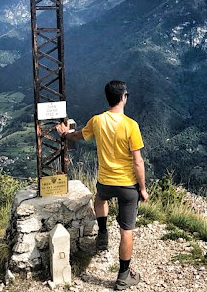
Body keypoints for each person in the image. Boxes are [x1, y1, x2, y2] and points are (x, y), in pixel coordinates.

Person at [56, 80, 148, 290]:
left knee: (100, 198)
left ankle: (103, 234)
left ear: (108, 98)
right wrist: (142, 188)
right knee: (127, 231)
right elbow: (138, 161)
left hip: (106, 181)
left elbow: (79, 136)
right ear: (124, 97)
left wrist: (65, 134)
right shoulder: (131, 125)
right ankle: (123, 276)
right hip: (127, 186)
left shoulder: (97, 121)